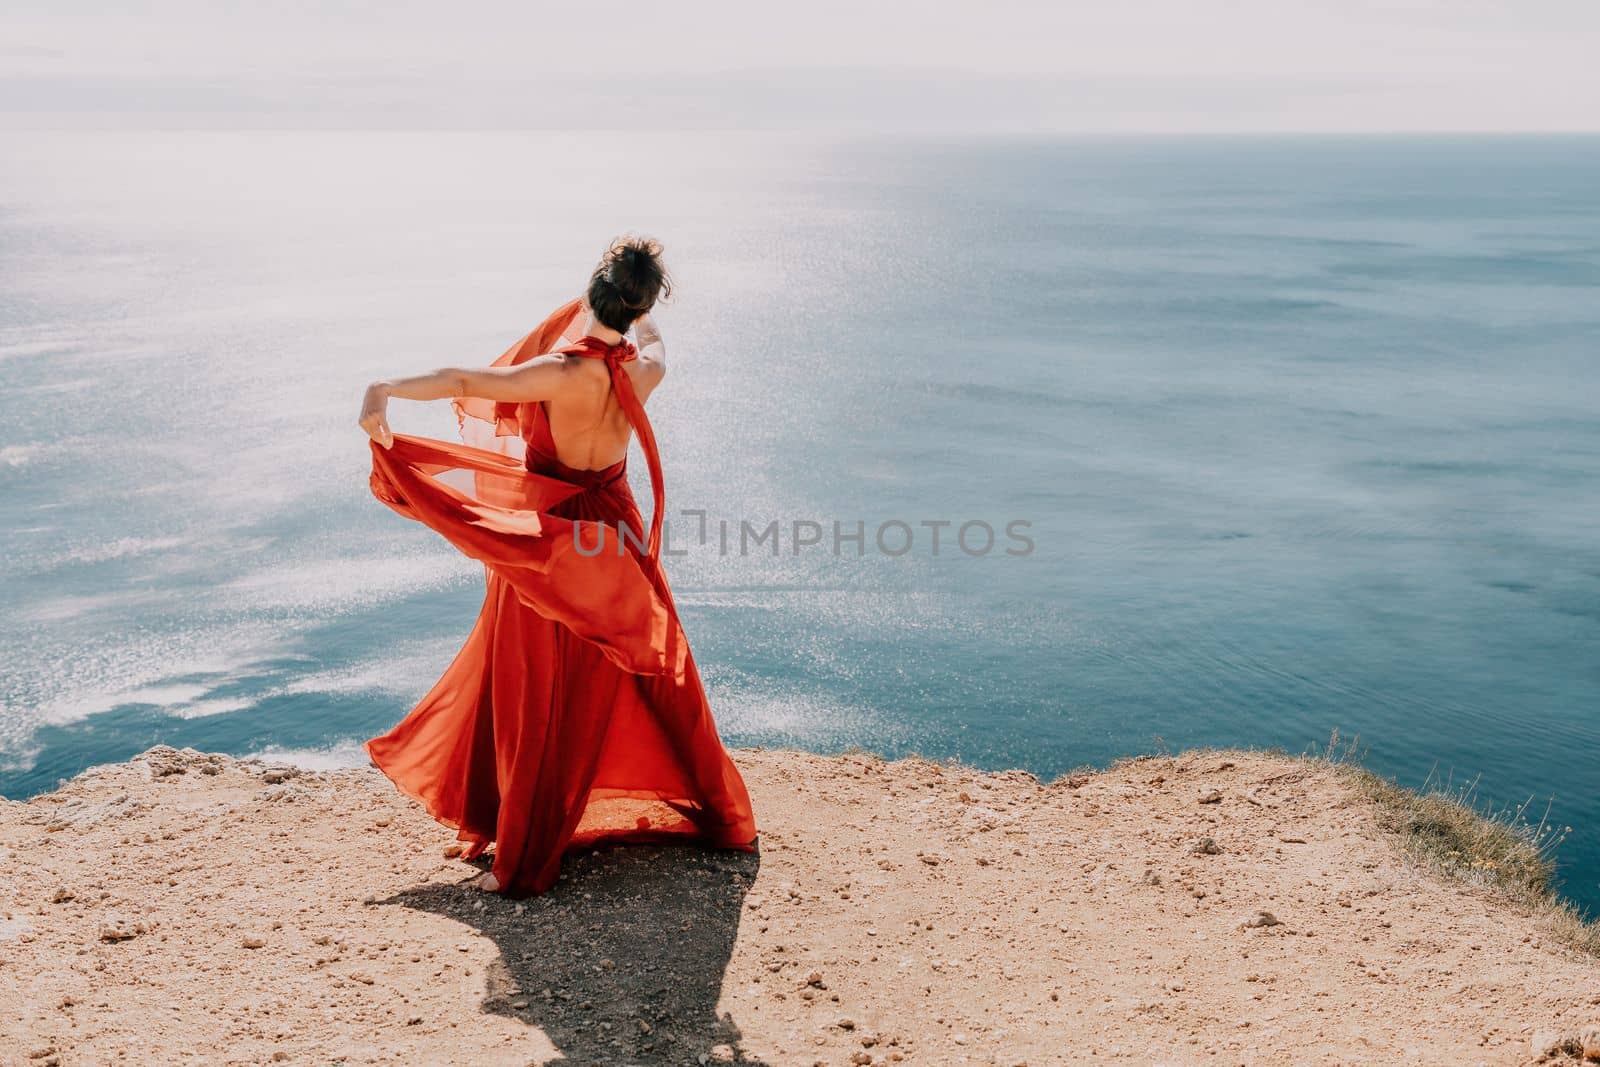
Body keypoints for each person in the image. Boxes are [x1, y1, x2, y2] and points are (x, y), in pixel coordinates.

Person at [357, 236, 756, 895]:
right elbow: (656, 343)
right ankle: (710, 809)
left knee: (535, 688)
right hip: (615, 541)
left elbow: (460, 380)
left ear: (593, 291)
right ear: (641, 305)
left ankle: (525, 849)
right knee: (631, 677)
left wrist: (383, 387)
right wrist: (639, 312)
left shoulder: (561, 372)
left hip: (557, 547)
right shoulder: (641, 371)